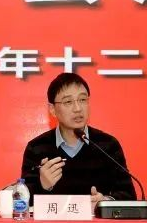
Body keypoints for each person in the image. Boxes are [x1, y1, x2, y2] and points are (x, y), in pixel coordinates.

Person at [20, 73, 135, 205]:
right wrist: (43, 185)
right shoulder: (36, 148)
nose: (78, 108)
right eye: (68, 102)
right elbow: (22, 202)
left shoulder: (108, 145)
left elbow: (129, 196)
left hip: (97, 220)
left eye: (82, 100)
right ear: (52, 109)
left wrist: (105, 202)